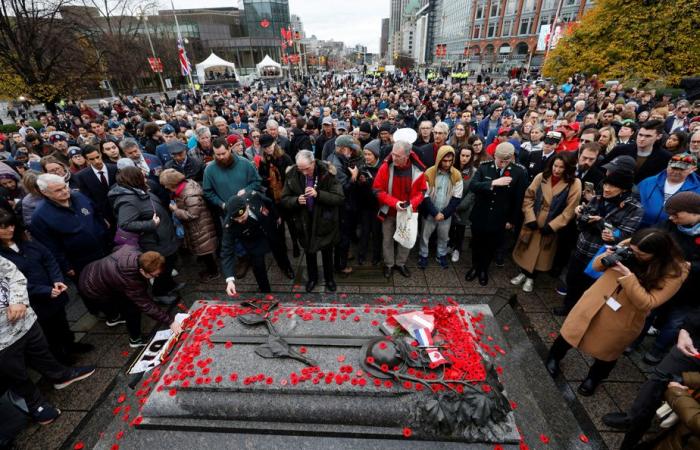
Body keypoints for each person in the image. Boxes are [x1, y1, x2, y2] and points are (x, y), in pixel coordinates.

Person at [601, 198, 700, 449]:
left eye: (678, 215)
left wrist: (686, 266)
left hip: (685, 292)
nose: (673, 219)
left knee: (670, 325)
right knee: (657, 379)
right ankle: (635, 419)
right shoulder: (669, 223)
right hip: (686, 319)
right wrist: (688, 330)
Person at [546, 229, 688, 396]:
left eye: (640, 254)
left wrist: (628, 276)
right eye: (633, 250)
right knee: (570, 332)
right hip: (595, 300)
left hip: (625, 315)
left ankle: (594, 378)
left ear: (658, 254)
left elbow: (649, 303)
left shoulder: (675, 271)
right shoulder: (630, 245)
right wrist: (608, 254)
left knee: (609, 350)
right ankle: (554, 357)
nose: (634, 254)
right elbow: (596, 266)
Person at [0, 256, 95, 425]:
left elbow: (13, 274)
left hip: (25, 320)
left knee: (41, 351)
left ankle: (61, 376)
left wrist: (17, 300)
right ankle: (36, 405)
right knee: (17, 373)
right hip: (2, 339)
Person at [0, 210, 93, 363]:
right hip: (35, 302)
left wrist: (57, 279)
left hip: (53, 293)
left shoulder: (26, 243)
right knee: (49, 331)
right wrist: (44, 290)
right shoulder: (2, 257)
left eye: (11, 225)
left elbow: (48, 258)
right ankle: (61, 357)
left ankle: (70, 345)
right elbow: (11, 283)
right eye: (3, 227)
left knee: (62, 322)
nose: (10, 229)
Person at [554, 170, 643, 315]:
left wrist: (600, 222)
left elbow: (624, 236)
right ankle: (568, 308)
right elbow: (580, 225)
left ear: (624, 189)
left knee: (591, 288)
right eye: (606, 184)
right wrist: (581, 215)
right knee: (573, 280)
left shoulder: (635, 209)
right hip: (581, 248)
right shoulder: (597, 198)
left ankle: (583, 314)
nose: (606, 189)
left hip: (600, 256)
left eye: (612, 186)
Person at [78, 246, 182, 347]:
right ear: (142, 271)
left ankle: (113, 318)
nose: (157, 276)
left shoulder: (134, 251)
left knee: (120, 300)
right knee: (132, 308)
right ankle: (135, 339)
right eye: (154, 275)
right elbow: (145, 304)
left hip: (92, 270)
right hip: (92, 287)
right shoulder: (130, 281)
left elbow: (116, 249)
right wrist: (170, 321)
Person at [108, 166, 181, 304]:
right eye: (142, 175)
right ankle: (159, 293)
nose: (145, 177)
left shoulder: (142, 191)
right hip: (154, 242)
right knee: (161, 267)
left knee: (170, 262)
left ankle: (170, 285)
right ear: (135, 179)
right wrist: (150, 225)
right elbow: (125, 224)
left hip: (164, 237)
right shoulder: (127, 200)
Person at [511, 153, 581, 292]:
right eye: (555, 166)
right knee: (526, 247)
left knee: (541, 252)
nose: (557, 170)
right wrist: (530, 217)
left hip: (552, 222)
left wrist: (553, 226)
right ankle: (523, 272)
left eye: (562, 167)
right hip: (534, 219)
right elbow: (528, 197)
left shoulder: (574, 183)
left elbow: (570, 209)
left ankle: (532, 277)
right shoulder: (541, 176)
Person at [281, 150, 344, 292]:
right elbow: (284, 199)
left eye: (307, 169)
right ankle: (312, 278)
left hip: (324, 221)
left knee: (327, 253)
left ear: (313, 163)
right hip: (304, 222)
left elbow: (339, 197)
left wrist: (318, 194)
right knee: (309, 253)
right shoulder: (292, 174)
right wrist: (295, 200)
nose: (304, 172)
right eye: (300, 169)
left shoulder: (327, 173)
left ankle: (329, 279)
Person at [466, 142, 527, 286]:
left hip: (500, 217)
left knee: (490, 245)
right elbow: (473, 186)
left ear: (512, 158)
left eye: (506, 161)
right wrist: (493, 183)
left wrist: (511, 220)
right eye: (500, 160)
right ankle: (475, 266)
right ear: (495, 156)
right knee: (476, 243)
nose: (502, 164)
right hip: (481, 214)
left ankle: (483, 270)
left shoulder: (518, 172)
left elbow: (519, 199)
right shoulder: (484, 167)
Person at [30, 174, 108, 281]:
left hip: (105, 250)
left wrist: (104, 233)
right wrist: (66, 266)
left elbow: (97, 214)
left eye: (65, 187)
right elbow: (49, 246)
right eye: (58, 190)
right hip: (80, 263)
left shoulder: (79, 197)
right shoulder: (40, 216)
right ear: (44, 192)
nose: (65, 191)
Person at [373, 141, 427, 279]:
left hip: (407, 212)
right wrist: (395, 203)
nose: (394, 158)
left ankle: (401, 263)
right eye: (393, 154)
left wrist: (411, 204)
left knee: (406, 239)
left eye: (398, 156)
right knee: (387, 239)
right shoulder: (386, 167)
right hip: (389, 211)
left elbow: (422, 192)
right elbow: (377, 190)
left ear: (407, 156)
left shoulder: (418, 170)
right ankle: (389, 264)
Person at [222, 193, 294, 295]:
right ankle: (265, 291)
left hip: (268, 230)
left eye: (243, 217)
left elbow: (268, 202)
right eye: (237, 219)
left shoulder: (253, 196)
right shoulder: (229, 225)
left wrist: (276, 215)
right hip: (253, 242)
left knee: (280, 251)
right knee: (258, 267)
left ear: (247, 206)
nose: (241, 220)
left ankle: (287, 269)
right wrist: (229, 280)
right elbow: (226, 252)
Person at [159, 169, 219, 282]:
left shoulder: (190, 195)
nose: (166, 187)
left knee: (205, 252)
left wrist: (176, 210)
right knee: (204, 251)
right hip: (198, 227)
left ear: (173, 183)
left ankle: (213, 272)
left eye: (166, 185)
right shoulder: (184, 187)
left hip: (200, 227)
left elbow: (192, 215)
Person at [418, 145, 463, 269]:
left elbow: (457, 197)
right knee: (425, 235)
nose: (447, 164)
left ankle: (441, 254)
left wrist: (444, 213)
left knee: (443, 236)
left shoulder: (456, 175)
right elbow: (424, 195)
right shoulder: (429, 173)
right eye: (444, 160)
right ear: (439, 159)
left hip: (445, 213)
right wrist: (434, 212)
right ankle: (423, 255)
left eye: (450, 161)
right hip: (430, 211)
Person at [256, 134, 298, 257]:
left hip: (286, 195)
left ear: (274, 143)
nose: (268, 149)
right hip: (273, 197)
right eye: (265, 147)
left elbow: (293, 176)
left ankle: (295, 244)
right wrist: (266, 180)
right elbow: (261, 178)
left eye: (269, 146)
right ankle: (283, 245)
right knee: (278, 223)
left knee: (291, 222)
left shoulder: (284, 157)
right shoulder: (263, 161)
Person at [326, 134, 361, 274]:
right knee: (343, 236)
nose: (351, 152)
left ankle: (342, 257)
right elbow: (343, 189)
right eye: (350, 149)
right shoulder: (337, 165)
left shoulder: (335, 157)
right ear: (342, 149)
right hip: (342, 207)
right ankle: (341, 265)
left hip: (342, 206)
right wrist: (353, 177)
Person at [637, 153, 700, 228]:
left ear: (693, 169)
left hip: (674, 234)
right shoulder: (647, 182)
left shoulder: (698, 189)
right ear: (667, 166)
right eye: (673, 168)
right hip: (640, 229)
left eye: (681, 169)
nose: (676, 172)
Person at [202, 137, 261, 215]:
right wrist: (221, 204)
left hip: (250, 209)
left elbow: (257, 182)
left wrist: (246, 190)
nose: (221, 157)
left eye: (223, 153)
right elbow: (208, 192)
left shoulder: (245, 163)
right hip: (228, 213)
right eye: (218, 155)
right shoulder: (209, 170)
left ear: (229, 149)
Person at [74, 145, 118, 232]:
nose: (97, 161)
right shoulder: (81, 176)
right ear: (86, 160)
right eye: (92, 159)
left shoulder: (115, 168)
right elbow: (88, 200)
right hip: (104, 218)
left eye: (97, 157)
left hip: (122, 211)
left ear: (101, 154)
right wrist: (100, 218)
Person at [448, 146, 476, 263]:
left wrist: (460, 206)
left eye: (467, 156)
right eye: (462, 155)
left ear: (471, 157)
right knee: (449, 227)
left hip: (463, 206)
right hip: (449, 204)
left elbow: (472, 191)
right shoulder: (452, 168)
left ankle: (457, 249)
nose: (464, 158)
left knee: (460, 228)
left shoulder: (474, 172)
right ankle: (449, 245)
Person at [356, 140, 383, 266]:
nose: (366, 157)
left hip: (378, 206)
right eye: (365, 154)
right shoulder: (362, 167)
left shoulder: (382, 168)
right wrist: (360, 183)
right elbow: (358, 189)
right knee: (365, 231)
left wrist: (370, 183)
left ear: (376, 155)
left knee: (377, 232)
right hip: (365, 206)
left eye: (369, 154)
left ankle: (376, 256)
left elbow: (382, 188)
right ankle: (361, 255)